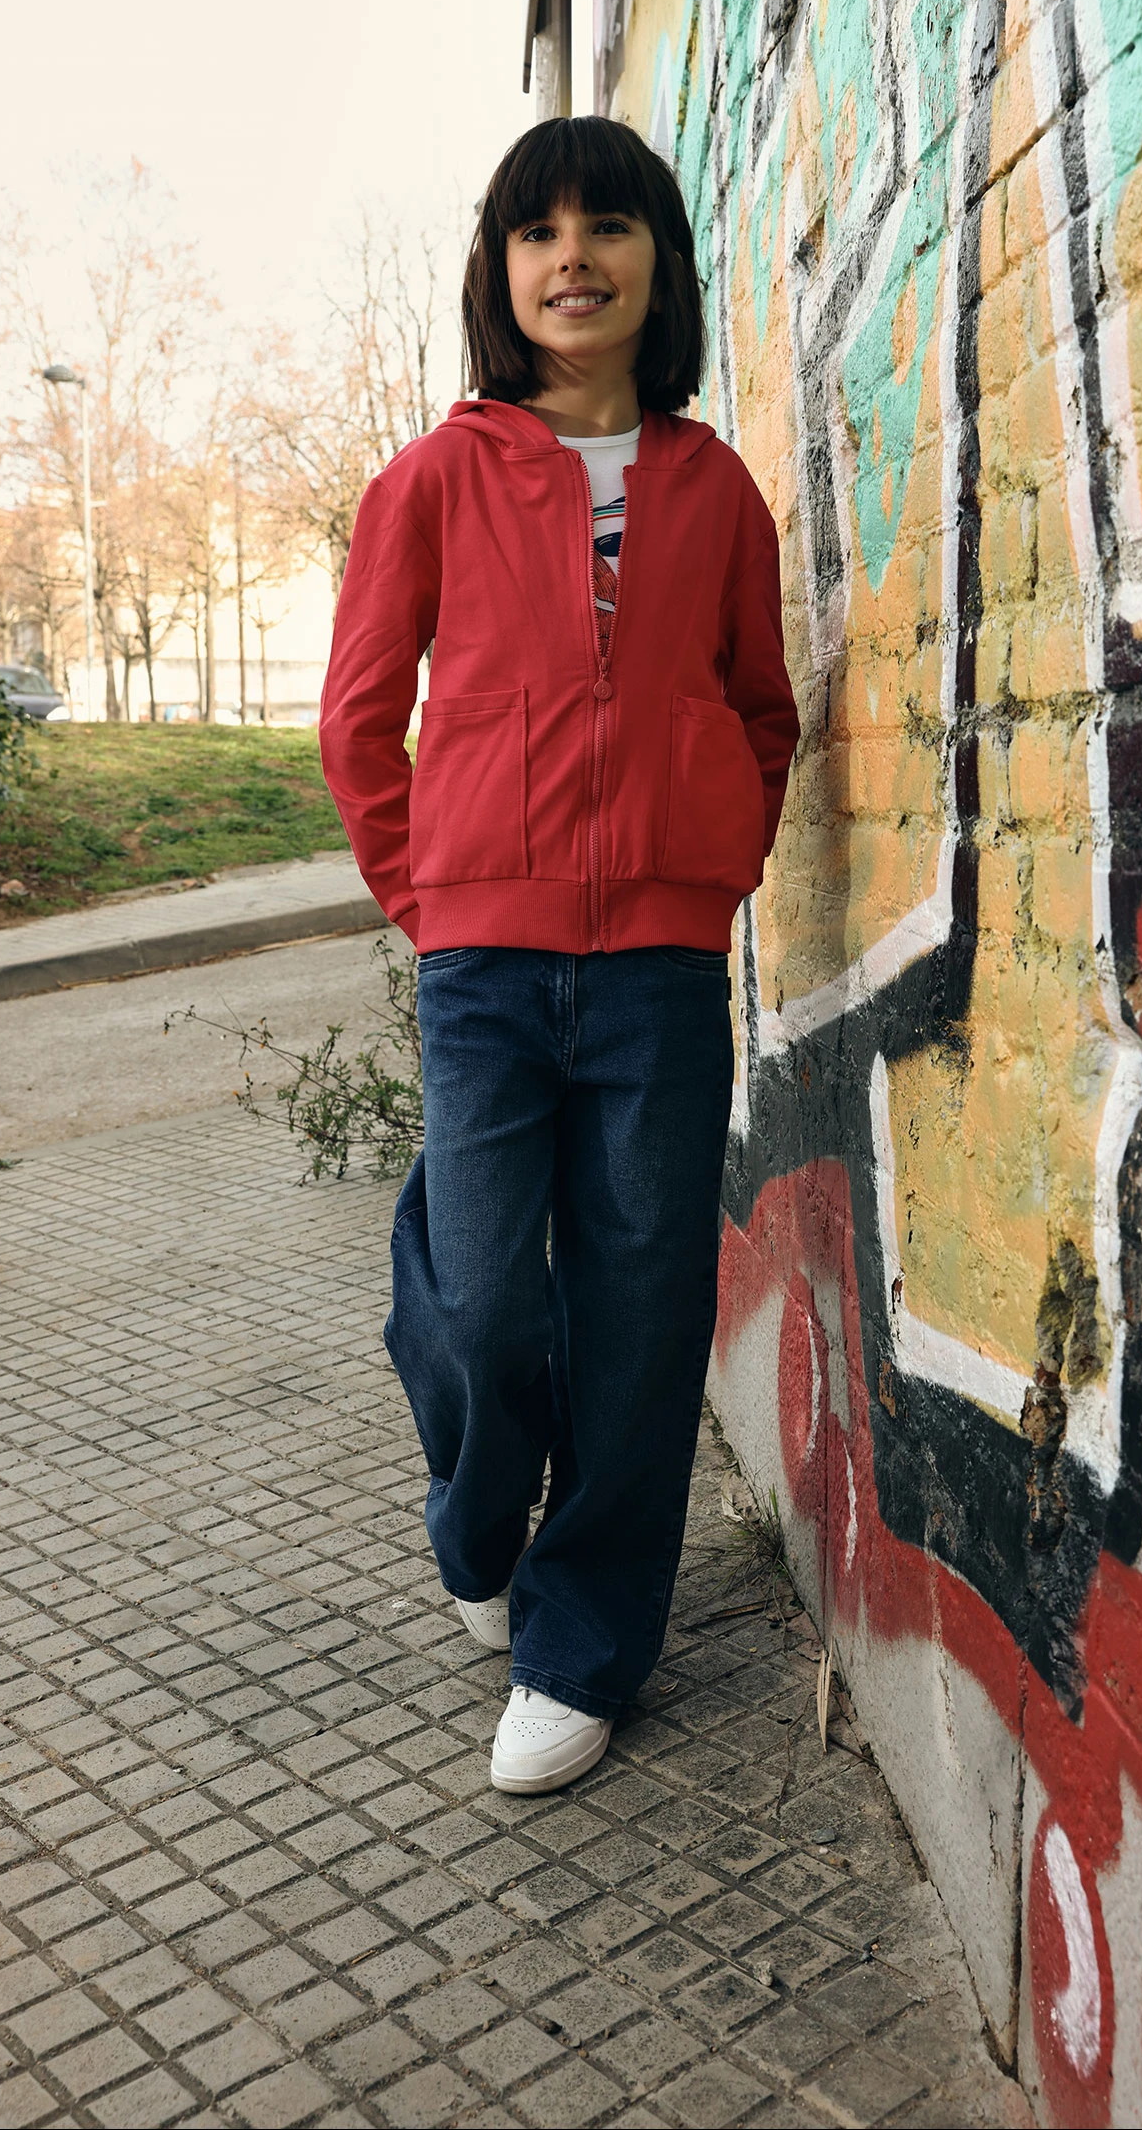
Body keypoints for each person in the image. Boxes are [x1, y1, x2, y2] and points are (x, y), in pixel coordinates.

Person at [319, 116, 800, 1795]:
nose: (572, 257)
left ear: (658, 262)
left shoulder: (712, 488)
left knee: (641, 1315)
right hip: (486, 966)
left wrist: (711, 863)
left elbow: (760, 707)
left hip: (659, 970)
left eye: (608, 226)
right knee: (475, 1303)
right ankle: (476, 1522)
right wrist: (431, 897)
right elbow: (359, 720)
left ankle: (580, 1643)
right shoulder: (434, 479)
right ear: (500, 269)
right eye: (539, 231)